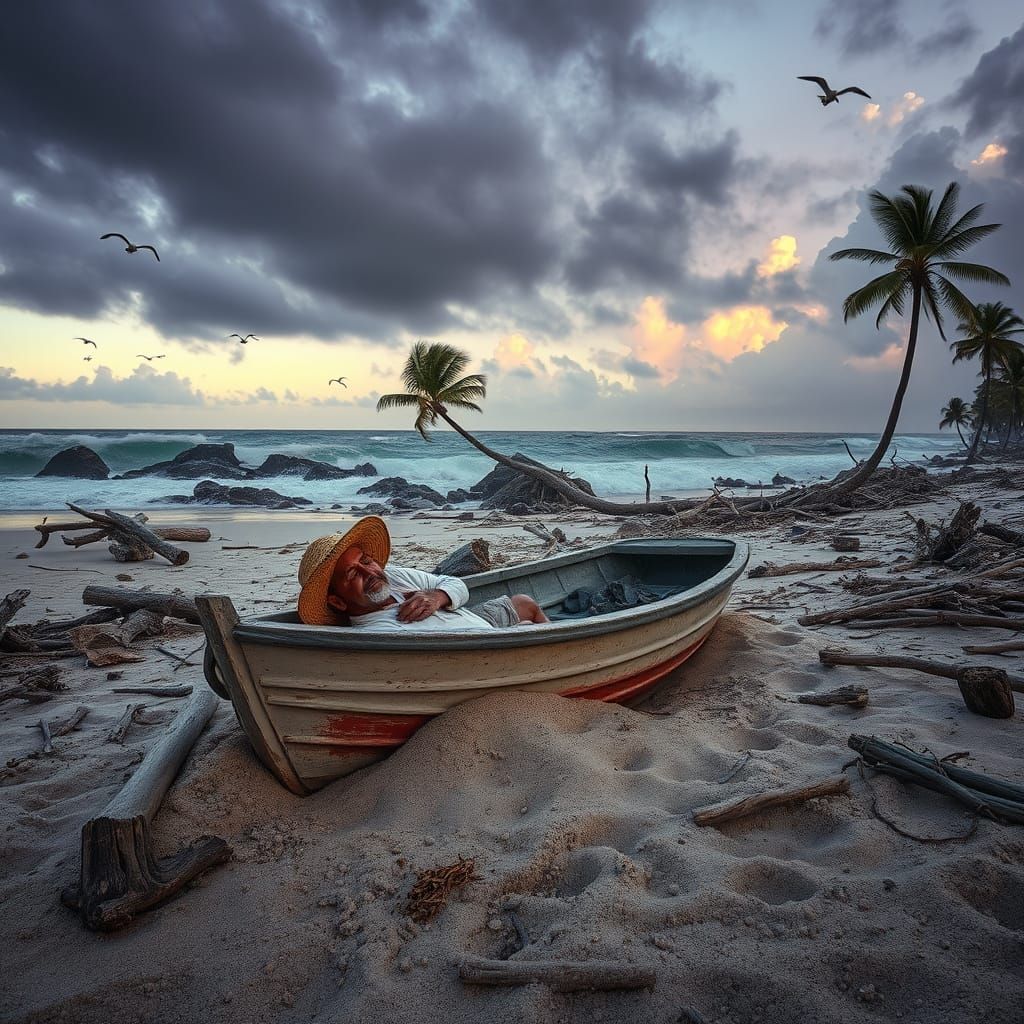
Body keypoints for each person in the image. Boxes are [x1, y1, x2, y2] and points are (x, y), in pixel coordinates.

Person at [296, 515, 549, 631]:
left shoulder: (393, 576)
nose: (369, 572)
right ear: (337, 601)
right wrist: (507, 633)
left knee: (524, 603)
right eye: (353, 574)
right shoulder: (381, 631)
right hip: (479, 641)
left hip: (474, 619)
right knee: (528, 628)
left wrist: (437, 597)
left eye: (366, 561)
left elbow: (456, 585)